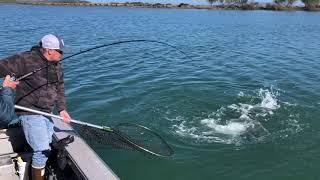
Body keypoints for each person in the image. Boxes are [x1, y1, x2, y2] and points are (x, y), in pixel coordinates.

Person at [0, 34, 71, 180]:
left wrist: (62, 108)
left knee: (46, 147)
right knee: (42, 150)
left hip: (47, 112)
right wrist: (8, 85)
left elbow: (60, 88)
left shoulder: (58, 66)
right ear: (49, 50)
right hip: (29, 112)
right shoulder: (24, 59)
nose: (62, 54)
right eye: (60, 51)